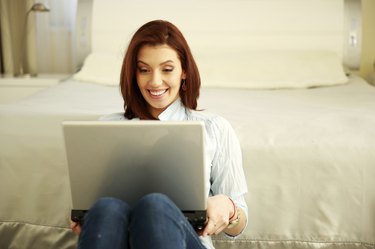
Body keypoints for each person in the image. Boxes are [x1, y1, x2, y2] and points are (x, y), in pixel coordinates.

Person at [70, 19, 248, 249]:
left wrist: (229, 208)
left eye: (167, 69)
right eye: (144, 70)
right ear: (133, 74)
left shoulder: (214, 127)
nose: (155, 81)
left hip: (187, 241)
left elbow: (240, 224)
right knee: (105, 208)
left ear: (184, 71)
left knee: (154, 206)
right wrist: (87, 217)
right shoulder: (105, 127)